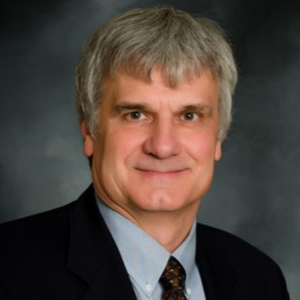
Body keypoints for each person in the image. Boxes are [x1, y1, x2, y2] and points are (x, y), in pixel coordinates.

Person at [0, 7, 289, 300]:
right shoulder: (9, 271)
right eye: (136, 114)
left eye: (189, 116)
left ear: (218, 137)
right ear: (90, 133)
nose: (163, 147)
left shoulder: (259, 278)